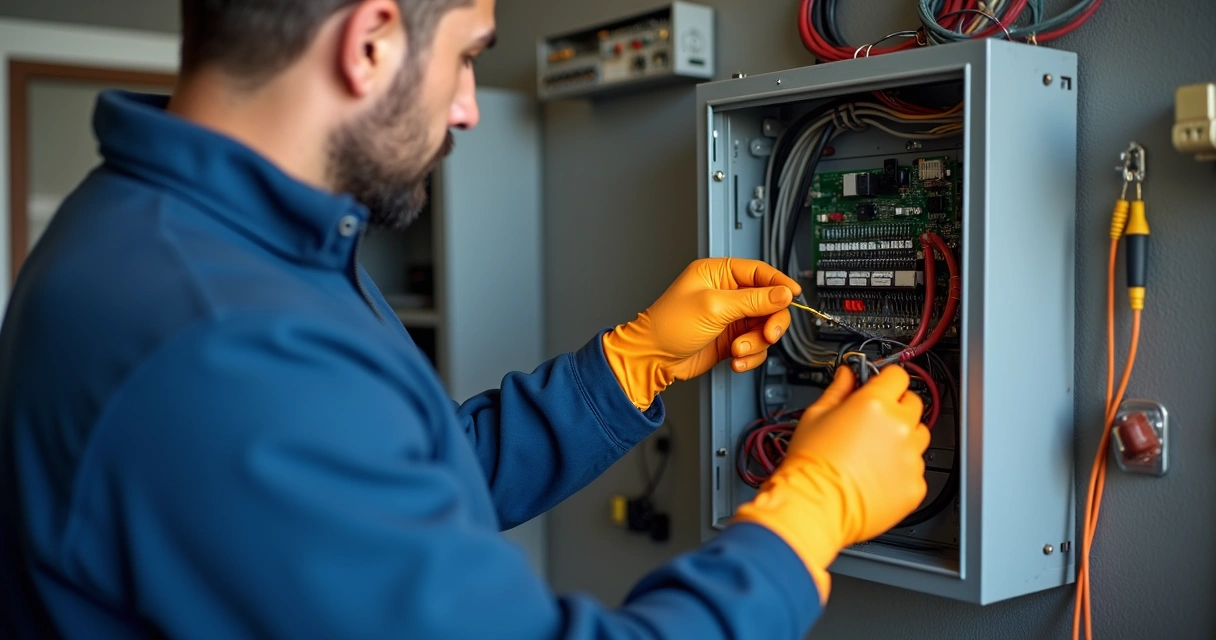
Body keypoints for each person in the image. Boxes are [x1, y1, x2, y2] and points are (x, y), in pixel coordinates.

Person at [0, 0, 931, 638]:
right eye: (467, 57)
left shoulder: (209, 242)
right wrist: (808, 518)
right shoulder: (217, 339)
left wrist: (632, 363)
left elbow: (390, 487)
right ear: (369, 42)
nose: (468, 109)